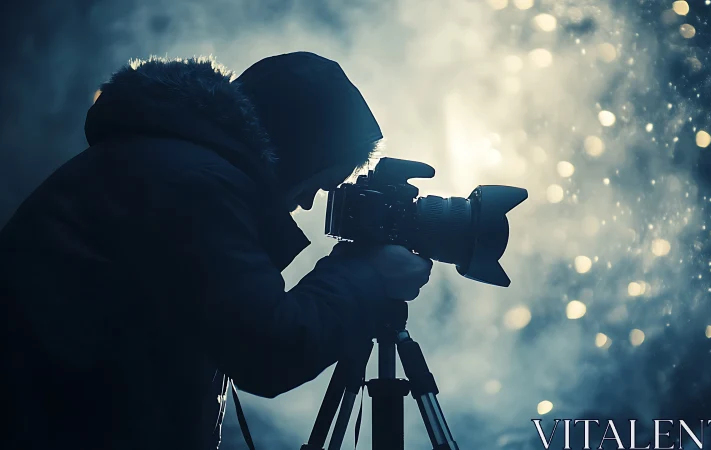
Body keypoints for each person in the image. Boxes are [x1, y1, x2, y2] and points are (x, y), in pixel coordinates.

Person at [0, 52, 432, 450]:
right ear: (297, 154)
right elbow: (268, 351)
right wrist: (369, 276)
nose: (305, 203)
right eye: (317, 184)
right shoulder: (196, 185)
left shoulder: (163, 162)